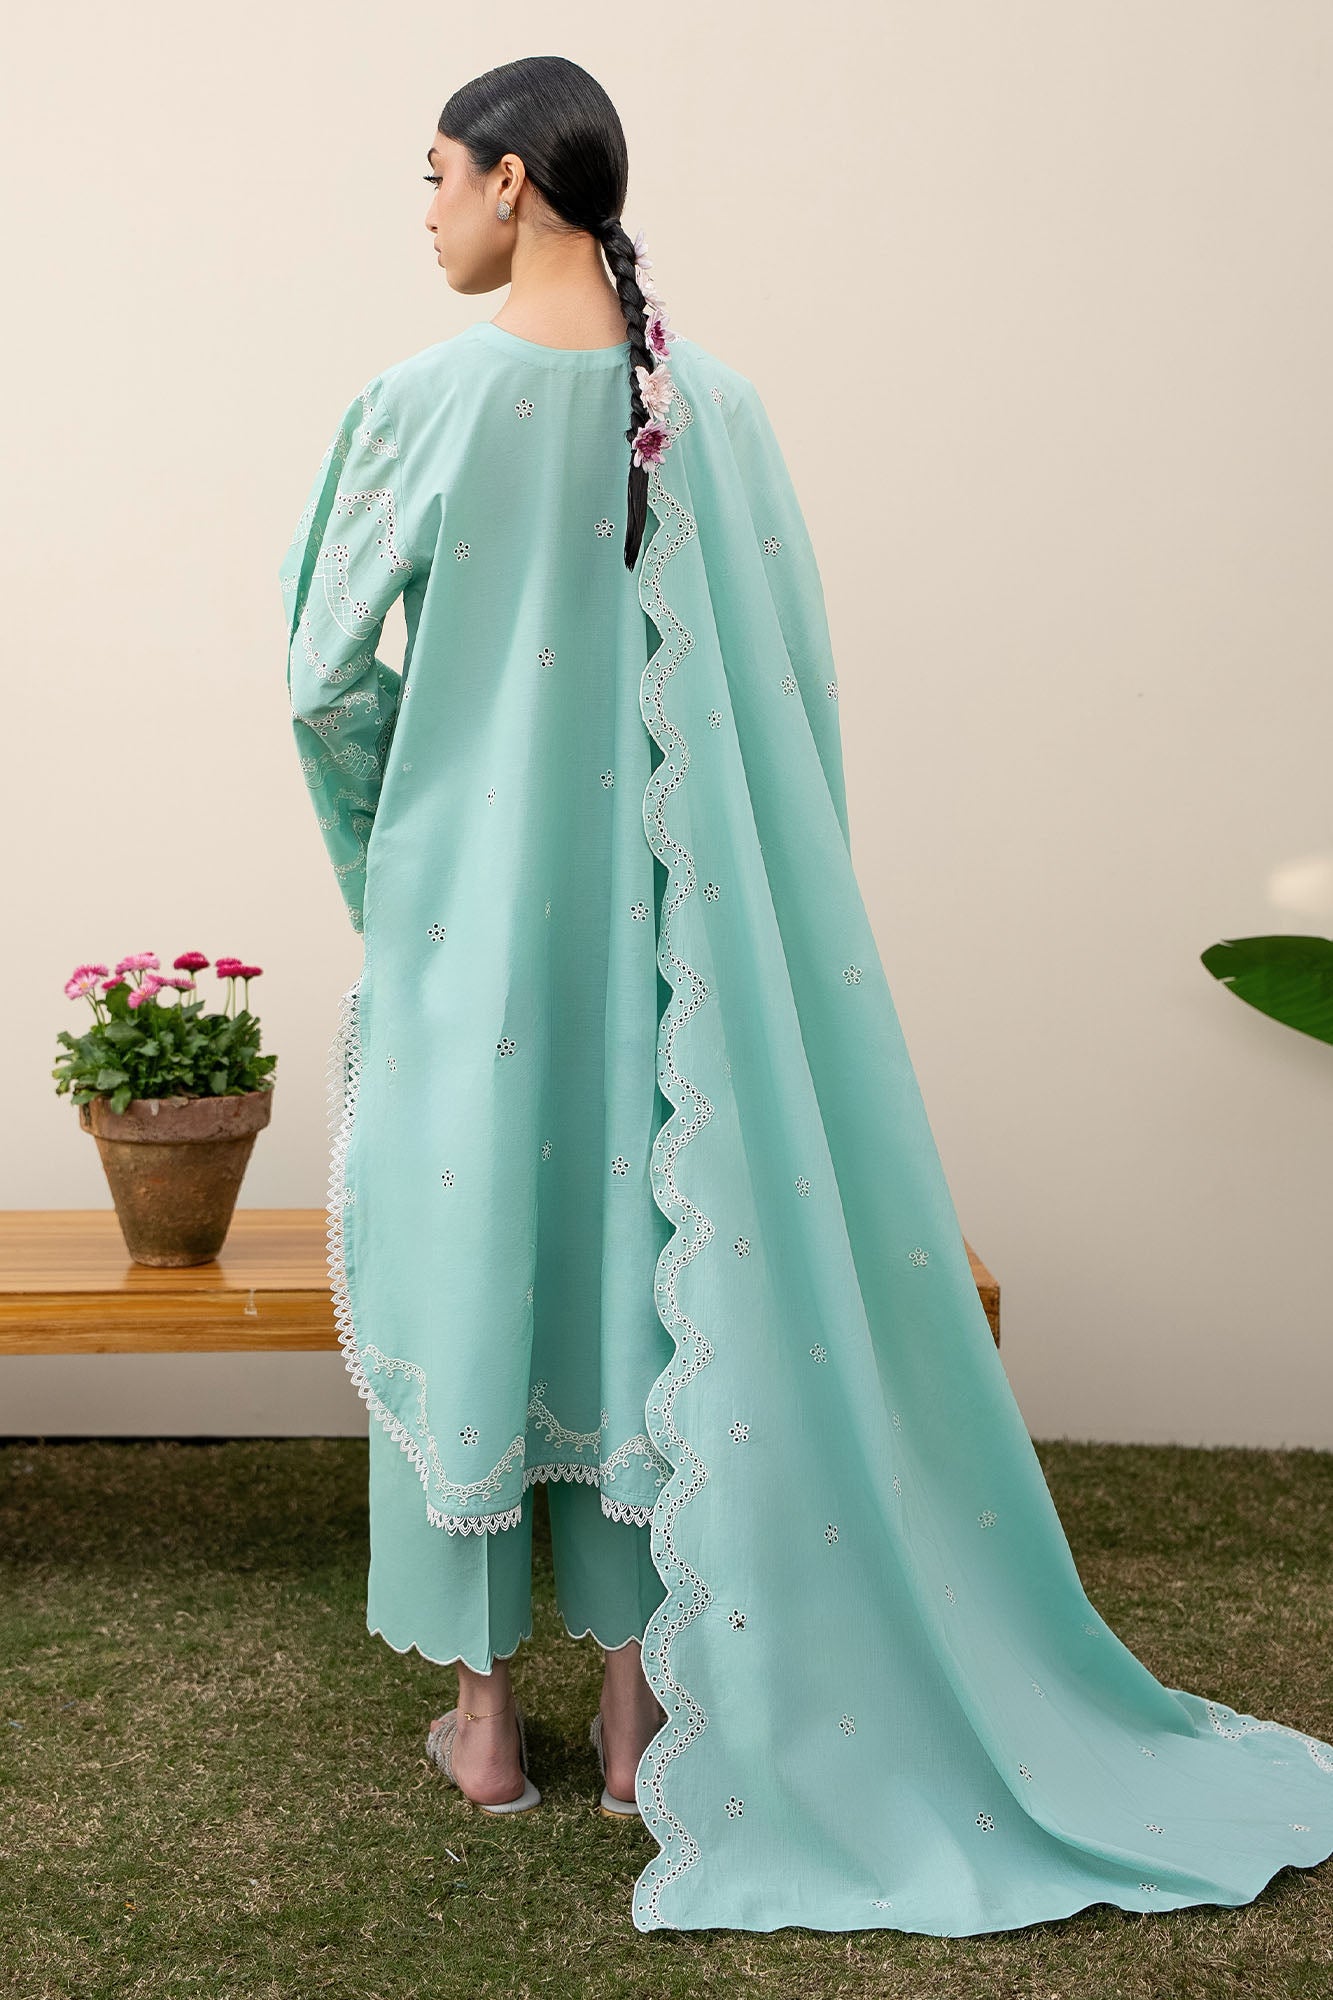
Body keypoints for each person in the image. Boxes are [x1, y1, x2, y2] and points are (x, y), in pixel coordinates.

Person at [280, 54, 1333, 1936]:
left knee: (470, 1264)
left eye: (434, 174)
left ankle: (484, 1729)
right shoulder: (723, 411)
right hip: (681, 944)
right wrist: (759, 919)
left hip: (475, 924)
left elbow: (324, 683)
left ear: (512, 183)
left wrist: (392, 867)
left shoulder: (417, 403)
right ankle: (637, 1723)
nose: (424, 209)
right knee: (641, 1283)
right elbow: (791, 690)